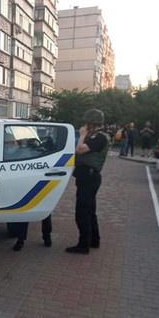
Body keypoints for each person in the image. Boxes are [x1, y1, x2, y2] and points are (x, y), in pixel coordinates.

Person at [66, 109, 110, 255]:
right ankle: (94, 240)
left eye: (87, 123)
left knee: (82, 212)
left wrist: (82, 135)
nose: (85, 126)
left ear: (92, 123)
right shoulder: (96, 136)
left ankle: (83, 245)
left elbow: (79, 150)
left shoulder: (99, 137)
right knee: (90, 211)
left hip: (89, 177)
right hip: (88, 177)